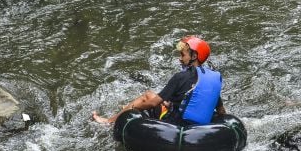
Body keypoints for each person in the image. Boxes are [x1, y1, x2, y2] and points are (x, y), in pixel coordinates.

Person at [92, 36, 226, 124]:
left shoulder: (180, 77)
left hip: (175, 126)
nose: (180, 58)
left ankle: (109, 122)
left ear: (194, 56)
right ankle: (126, 108)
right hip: (199, 129)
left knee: (147, 96)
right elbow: (221, 111)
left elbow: (152, 102)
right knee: (165, 103)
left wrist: (135, 107)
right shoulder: (211, 80)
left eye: (182, 54)